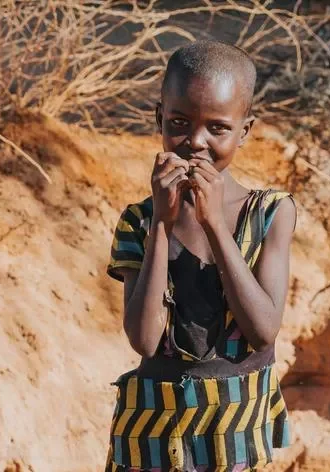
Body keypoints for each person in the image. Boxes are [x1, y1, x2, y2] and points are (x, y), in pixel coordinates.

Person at [105, 40, 296, 472]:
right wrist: (161, 223)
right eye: (179, 122)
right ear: (159, 118)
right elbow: (144, 340)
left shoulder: (269, 214)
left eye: (218, 128)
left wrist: (214, 225)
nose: (195, 141)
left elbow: (263, 330)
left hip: (235, 434)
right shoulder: (139, 221)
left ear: (244, 131)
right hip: (151, 438)